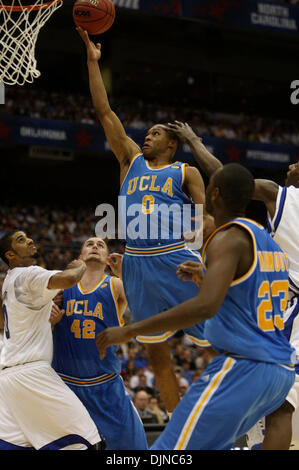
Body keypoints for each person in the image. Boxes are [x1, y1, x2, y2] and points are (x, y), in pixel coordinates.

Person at [96, 163, 296, 450]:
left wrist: (130, 330)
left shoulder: (228, 237)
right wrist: (205, 280)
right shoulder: (269, 242)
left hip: (244, 367)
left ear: (215, 194)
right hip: (280, 370)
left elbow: (204, 307)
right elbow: (246, 301)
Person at [77, 27, 212, 412]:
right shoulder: (130, 161)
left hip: (176, 258)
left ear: (172, 144)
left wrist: (200, 254)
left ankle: (227, 421)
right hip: (137, 264)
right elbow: (103, 111)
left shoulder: (186, 172)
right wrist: (92, 62)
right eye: (146, 133)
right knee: (158, 357)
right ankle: (174, 428)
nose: (146, 137)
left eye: (154, 134)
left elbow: (204, 220)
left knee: (219, 344)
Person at [167, 121, 299, 450]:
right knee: (274, 408)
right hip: (276, 301)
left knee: (280, 408)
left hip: (289, 314)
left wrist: (194, 140)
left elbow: (227, 178)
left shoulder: (283, 196)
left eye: (297, 164)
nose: (291, 166)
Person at [0, 230, 102, 450]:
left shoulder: (9, 281)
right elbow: (68, 279)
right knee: (88, 442)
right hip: (31, 373)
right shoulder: (28, 274)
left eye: (27, 236)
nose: (29, 240)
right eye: (20, 240)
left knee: (16, 445)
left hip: (7, 378)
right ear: (10, 254)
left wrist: (48, 320)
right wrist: (81, 264)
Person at [51, 237, 148, 450]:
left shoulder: (116, 284)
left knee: (134, 446)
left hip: (105, 383)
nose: (95, 246)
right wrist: (49, 320)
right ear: (79, 258)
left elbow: (145, 301)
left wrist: (125, 272)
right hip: (65, 384)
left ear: (107, 260)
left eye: (100, 245)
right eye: (89, 244)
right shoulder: (62, 285)